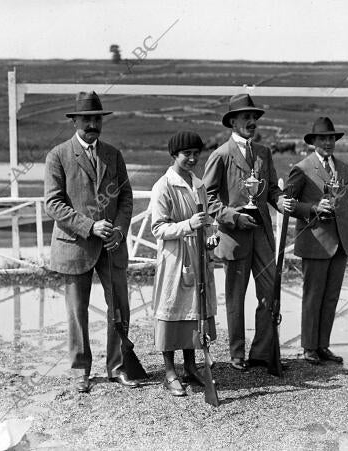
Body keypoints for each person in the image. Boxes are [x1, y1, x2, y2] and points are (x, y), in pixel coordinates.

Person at [44, 91, 140, 393]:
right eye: (86, 119)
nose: (92, 124)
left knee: (120, 308)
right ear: (75, 121)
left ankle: (117, 367)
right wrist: (90, 226)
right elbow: (53, 204)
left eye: (97, 119)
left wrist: (120, 230)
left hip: (112, 246)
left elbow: (126, 197)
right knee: (77, 311)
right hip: (75, 244)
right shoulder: (57, 156)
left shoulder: (113, 154)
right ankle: (79, 371)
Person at [203, 94, 288, 372]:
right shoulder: (221, 155)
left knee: (269, 292)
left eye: (255, 117)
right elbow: (207, 198)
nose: (252, 121)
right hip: (235, 237)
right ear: (233, 122)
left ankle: (262, 352)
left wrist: (280, 200)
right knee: (235, 297)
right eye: (246, 117)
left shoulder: (264, 153)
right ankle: (236, 352)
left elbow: (271, 190)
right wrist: (233, 217)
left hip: (262, 234)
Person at [150, 131, 219, 397]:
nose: (192, 158)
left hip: (197, 256)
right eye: (186, 154)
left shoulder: (199, 184)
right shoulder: (163, 186)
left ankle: (190, 366)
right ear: (174, 156)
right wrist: (188, 225)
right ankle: (170, 372)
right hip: (175, 259)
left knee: (194, 312)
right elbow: (158, 228)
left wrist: (210, 238)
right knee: (172, 310)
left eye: (195, 153)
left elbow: (207, 220)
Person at [285, 117, 348, 364]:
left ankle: (323, 345)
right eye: (322, 138)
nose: (328, 142)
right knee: (313, 295)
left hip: (341, 242)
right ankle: (309, 347)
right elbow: (288, 204)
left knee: (331, 296)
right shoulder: (302, 168)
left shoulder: (344, 167)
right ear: (313, 141)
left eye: (331, 138)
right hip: (316, 242)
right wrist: (313, 207)